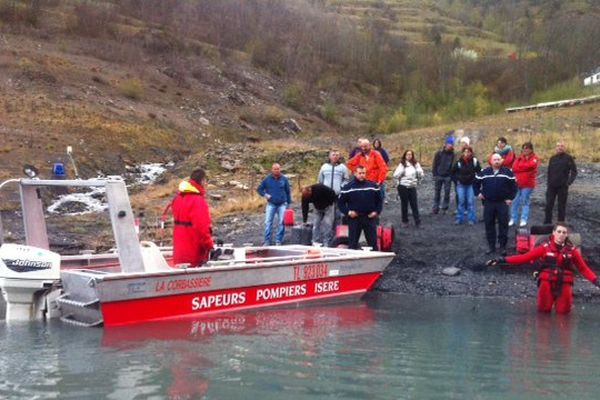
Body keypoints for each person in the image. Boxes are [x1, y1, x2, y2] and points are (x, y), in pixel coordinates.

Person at [487, 222, 600, 314]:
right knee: (543, 313)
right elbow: (524, 258)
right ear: (553, 233)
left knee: (564, 314)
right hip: (547, 283)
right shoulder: (544, 248)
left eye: (564, 232)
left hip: (564, 284)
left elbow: (584, 269)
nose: (561, 234)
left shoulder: (572, 251)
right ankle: (543, 341)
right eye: (559, 232)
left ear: (567, 235)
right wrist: (502, 260)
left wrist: (596, 281)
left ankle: (563, 341)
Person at [474, 153, 517, 255]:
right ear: (491, 161)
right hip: (488, 203)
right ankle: (491, 247)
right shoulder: (484, 172)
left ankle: (502, 247)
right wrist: (478, 193)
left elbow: (514, 187)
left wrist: (510, 198)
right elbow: (475, 183)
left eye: (498, 159)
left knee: (503, 225)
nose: (497, 161)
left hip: (502, 203)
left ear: (501, 160)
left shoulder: (508, 172)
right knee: (489, 224)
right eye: (495, 160)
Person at [171, 168, 214, 267]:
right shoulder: (198, 201)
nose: (206, 184)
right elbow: (202, 228)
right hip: (193, 253)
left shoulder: (177, 198)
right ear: (202, 181)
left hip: (179, 252)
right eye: (206, 181)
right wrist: (210, 246)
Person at [338, 165, 382, 250]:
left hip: (369, 217)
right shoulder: (347, 187)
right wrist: (348, 212)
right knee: (352, 243)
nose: (362, 175)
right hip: (355, 218)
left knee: (373, 243)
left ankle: (375, 261)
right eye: (360, 173)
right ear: (355, 173)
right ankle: (352, 261)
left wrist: (376, 212)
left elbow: (379, 201)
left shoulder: (373, 186)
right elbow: (341, 203)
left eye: (364, 173)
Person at [257, 163, 292, 246]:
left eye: (278, 169)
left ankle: (278, 240)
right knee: (268, 222)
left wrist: (289, 203)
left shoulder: (284, 179)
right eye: (275, 169)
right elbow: (259, 189)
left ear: (280, 169)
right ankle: (267, 241)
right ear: (272, 170)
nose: (277, 170)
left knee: (281, 222)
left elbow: (288, 192)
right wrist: (265, 195)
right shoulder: (267, 179)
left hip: (282, 204)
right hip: (271, 204)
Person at [317, 149, 350, 235]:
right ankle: (326, 236)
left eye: (337, 155)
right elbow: (320, 180)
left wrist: (341, 188)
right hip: (326, 197)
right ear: (329, 156)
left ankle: (337, 236)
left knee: (338, 216)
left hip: (338, 195)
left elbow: (346, 180)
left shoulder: (343, 167)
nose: (335, 156)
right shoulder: (324, 167)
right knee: (327, 217)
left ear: (339, 157)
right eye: (333, 155)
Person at [544, 141, 577, 224]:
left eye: (562, 146)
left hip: (562, 186)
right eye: (558, 146)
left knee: (561, 206)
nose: (560, 147)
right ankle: (547, 223)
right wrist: (548, 183)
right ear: (556, 148)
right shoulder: (552, 158)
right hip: (551, 186)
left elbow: (574, 171)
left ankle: (560, 224)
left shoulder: (568, 158)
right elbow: (549, 171)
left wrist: (569, 182)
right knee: (548, 205)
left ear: (564, 148)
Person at [510, 142, 539, 227]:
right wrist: (524, 168)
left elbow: (531, 166)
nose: (525, 150)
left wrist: (521, 167)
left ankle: (523, 219)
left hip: (528, 185)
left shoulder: (534, 158)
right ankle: (513, 219)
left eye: (527, 148)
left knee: (525, 202)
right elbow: (514, 168)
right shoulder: (519, 158)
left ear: (531, 149)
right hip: (517, 183)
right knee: (515, 201)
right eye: (524, 148)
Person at [451, 145, 481, 225]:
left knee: (470, 202)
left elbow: (479, 172)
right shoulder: (459, 162)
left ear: (471, 152)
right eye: (465, 152)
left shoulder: (475, 161)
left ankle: (471, 219)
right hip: (461, 185)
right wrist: (456, 180)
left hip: (471, 184)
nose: (467, 153)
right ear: (463, 153)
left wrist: (476, 181)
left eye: (468, 152)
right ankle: (459, 218)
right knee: (461, 202)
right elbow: (453, 172)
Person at [393, 149, 423, 226]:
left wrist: (419, 180)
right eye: (407, 154)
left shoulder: (416, 164)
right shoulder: (402, 164)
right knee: (404, 204)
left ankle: (417, 221)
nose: (409, 156)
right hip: (403, 186)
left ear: (412, 155)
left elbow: (421, 174)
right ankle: (405, 221)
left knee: (414, 204)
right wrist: (398, 183)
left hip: (412, 186)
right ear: (405, 156)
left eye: (410, 154)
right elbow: (395, 175)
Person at [432, 135, 455, 214]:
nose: (450, 145)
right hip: (439, 175)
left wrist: (451, 175)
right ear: (445, 144)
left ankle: (445, 207)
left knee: (447, 192)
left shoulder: (453, 154)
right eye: (449, 144)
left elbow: (453, 165)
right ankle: (436, 207)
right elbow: (435, 164)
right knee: (437, 192)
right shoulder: (438, 153)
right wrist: (434, 174)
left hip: (448, 176)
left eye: (451, 144)